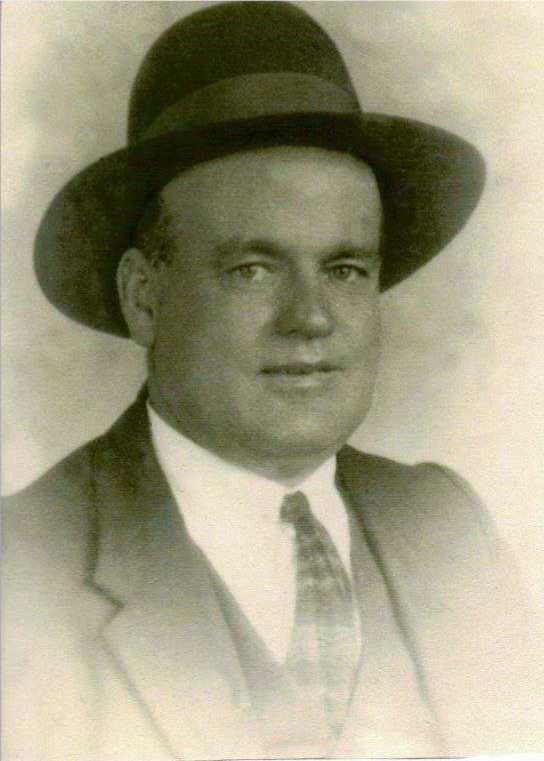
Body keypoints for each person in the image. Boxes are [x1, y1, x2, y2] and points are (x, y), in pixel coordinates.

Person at [3, 3, 542, 760]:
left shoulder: (446, 525)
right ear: (144, 297)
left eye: (345, 269)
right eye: (252, 270)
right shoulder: (21, 572)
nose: (311, 318)